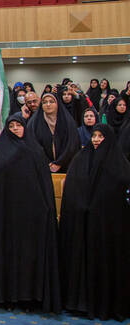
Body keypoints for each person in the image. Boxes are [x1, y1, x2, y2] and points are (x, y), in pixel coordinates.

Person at [0, 113, 61, 313]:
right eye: (12, 125)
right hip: (7, 215)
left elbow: (44, 182)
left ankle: (29, 298)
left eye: (19, 125)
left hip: (31, 216)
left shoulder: (35, 150)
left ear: (25, 127)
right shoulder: (1, 149)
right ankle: (7, 297)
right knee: (8, 255)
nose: (16, 128)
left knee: (29, 257)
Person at [59, 124, 130, 321]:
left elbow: (120, 193)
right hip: (83, 223)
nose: (97, 139)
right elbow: (72, 187)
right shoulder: (81, 159)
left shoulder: (120, 165)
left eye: (101, 136)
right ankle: (80, 302)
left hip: (108, 228)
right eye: (94, 136)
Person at [27, 92, 79, 173]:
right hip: (42, 167)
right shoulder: (34, 123)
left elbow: (72, 144)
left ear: (57, 103)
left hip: (66, 166)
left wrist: (59, 163)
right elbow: (33, 145)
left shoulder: (68, 121)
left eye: (51, 102)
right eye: (44, 102)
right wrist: (47, 163)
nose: (48, 104)